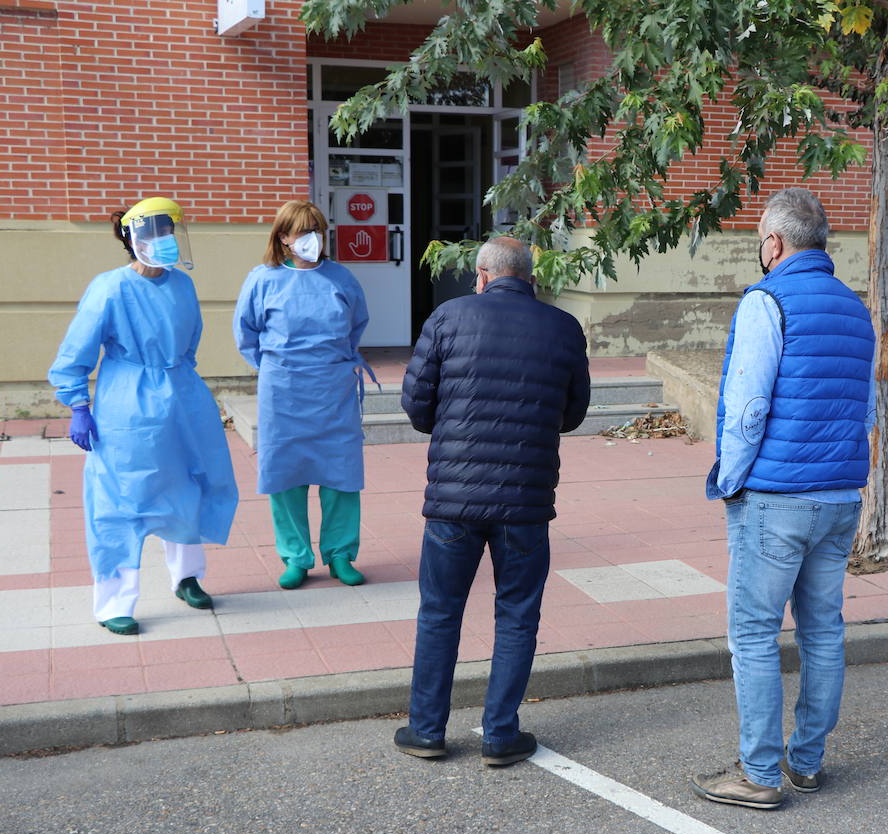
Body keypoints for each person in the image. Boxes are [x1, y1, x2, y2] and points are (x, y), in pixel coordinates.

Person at [690, 188, 875, 810]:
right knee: (822, 631)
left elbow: (748, 407)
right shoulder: (855, 307)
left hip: (776, 494)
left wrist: (730, 478)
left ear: (774, 243)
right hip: (841, 492)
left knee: (753, 633)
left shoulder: (767, 300)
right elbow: (864, 408)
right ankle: (805, 763)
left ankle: (760, 774)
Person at [393, 237, 590, 767]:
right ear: (531, 278)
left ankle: (426, 730)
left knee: (439, 612)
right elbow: (573, 414)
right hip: (525, 501)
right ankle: (500, 734)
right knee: (518, 614)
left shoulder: (447, 317)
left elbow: (416, 406)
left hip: (453, 500)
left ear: (481, 275)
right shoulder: (564, 327)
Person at [49, 197, 238, 636]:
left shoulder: (181, 285)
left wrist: (179, 382)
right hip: (127, 402)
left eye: (170, 230)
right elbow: (75, 352)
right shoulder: (110, 287)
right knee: (120, 499)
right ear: (133, 239)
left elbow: (189, 341)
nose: (166, 240)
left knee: (187, 484)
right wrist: (78, 405)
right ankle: (115, 600)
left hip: (182, 395)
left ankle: (186, 576)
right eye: (155, 232)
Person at [233, 200, 372, 590]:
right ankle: (295, 557)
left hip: (333, 387)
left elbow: (356, 324)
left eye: (318, 230)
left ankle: (341, 554)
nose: (312, 239)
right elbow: (247, 333)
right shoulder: (263, 279)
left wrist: (332, 361)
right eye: (302, 232)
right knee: (285, 474)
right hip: (283, 389)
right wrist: (279, 366)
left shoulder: (341, 279)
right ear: (283, 238)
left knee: (341, 473)